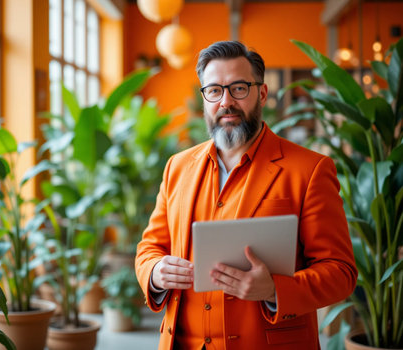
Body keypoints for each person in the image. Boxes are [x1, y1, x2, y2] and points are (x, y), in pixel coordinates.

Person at [135, 41, 357, 350]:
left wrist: (274, 290)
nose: (226, 101)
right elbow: (149, 249)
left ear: (261, 93)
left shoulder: (311, 169)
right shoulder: (177, 167)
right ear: (204, 99)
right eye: (214, 90)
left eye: (238, 88)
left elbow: (340, 273)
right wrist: (156, 272)